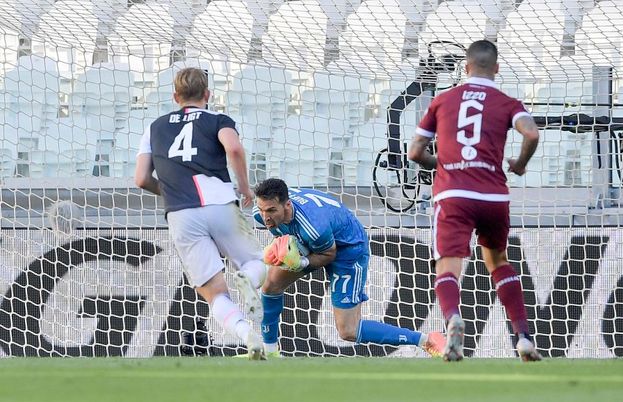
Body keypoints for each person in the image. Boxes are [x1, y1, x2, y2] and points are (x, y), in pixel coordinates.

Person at [408, 40, 542, 362]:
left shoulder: (442, 101)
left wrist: (439, 163)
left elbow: (414, 152)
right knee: (499, 263)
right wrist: (520, 164)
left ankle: (453, 317)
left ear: (466, 68)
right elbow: (532, 133)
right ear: (496, 68)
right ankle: (523, 338)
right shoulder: (508, 102)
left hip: (453, 194)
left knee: (448, 268)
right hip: (493, 196)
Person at [134, 67, 267, 359]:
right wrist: (244, 187)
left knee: (215, 293)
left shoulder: (154, 127)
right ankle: (245, 275)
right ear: (207, 94)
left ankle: (248, 337)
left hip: (181, 214)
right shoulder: (218, 119)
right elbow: (233, 148)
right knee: (259, 262)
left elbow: (141, 178)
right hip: (219, 203)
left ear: (175, 96)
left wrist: (169, 191)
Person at [253, 178, 445, 358]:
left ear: (287, 205)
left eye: (270, 210)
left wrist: (300, 262)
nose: (265, 217)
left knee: (348, 331)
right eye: (262, 210)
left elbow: (328, 255)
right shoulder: (262, 213)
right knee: (270, 287)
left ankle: (426, 340)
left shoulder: (313, 225)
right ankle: (270, 353)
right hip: (315, 241)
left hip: (348, 250)